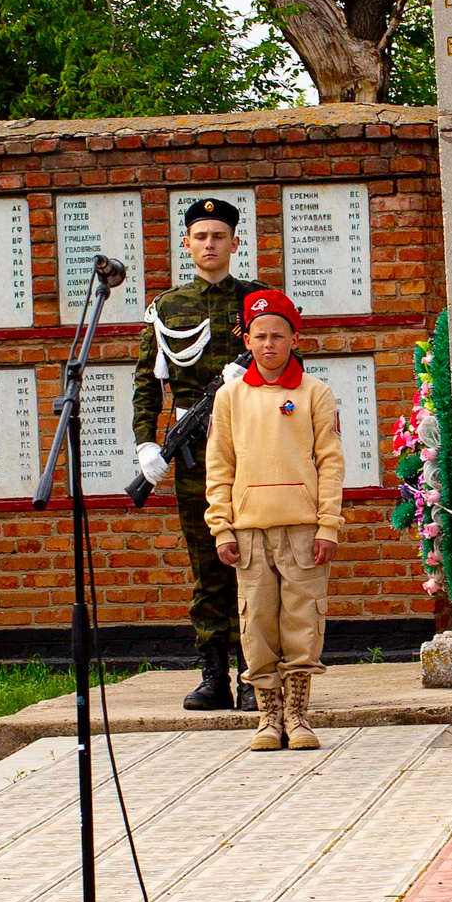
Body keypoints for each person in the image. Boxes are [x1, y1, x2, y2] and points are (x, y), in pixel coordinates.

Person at [205, 288, 344, 753]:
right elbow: (219, 465)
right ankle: (267, 716)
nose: (269, 345)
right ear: (247, 339)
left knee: (302, 621)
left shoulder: (314, 393)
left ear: (295, 338)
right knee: (257, 622)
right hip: (249, 529)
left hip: (303, 528)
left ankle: (298, 713)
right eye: (260, 335)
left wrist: (328, 524)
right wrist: (221, 526)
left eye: (278, 335)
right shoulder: (229, 396)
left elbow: (330, 462)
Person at [131, 200, 251, 710]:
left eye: (219, 236)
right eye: (200, 236)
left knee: (253, 560)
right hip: (193, 449)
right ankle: (213, 675)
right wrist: (145, 442)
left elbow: (294, 366)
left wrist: (255, 379)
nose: (209, 244)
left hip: (252, 443)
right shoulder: (168, 306)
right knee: (207, 562)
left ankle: (254, 676)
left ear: (234, 244)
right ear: (186, 244)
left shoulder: (259, 300)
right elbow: (145, 382)